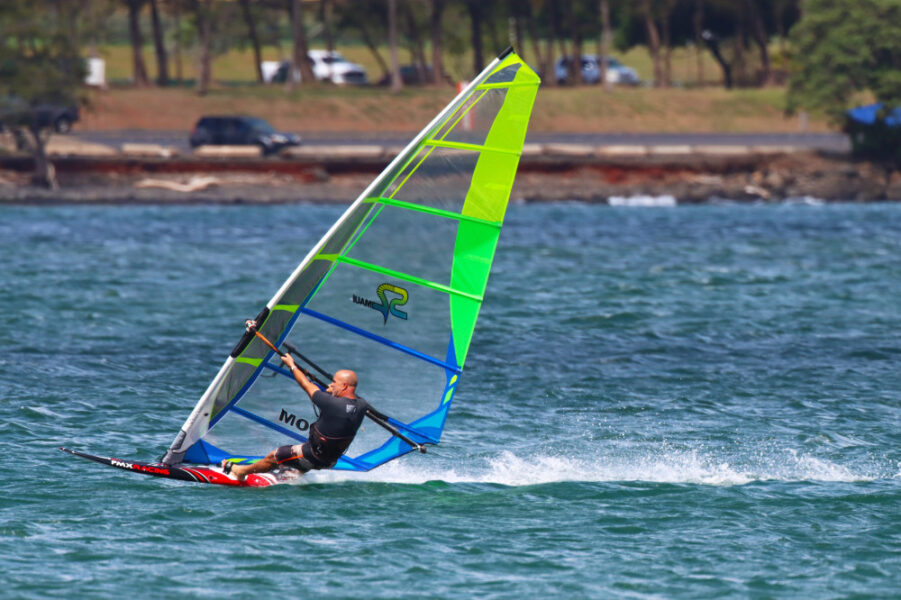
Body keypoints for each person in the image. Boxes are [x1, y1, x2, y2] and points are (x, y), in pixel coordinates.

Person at [222, 351, 368, 482]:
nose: (331, 384)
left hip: (312, 455)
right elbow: (345, 402)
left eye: (334, 382)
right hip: (330, 460)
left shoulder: (331, 403)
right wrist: (333, 392)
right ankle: (293, 473)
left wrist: (292, 366)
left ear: (344, 386)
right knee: (304, 455)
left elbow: (306, 385)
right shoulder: (362, 405)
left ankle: (241, 472)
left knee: (274, 456)